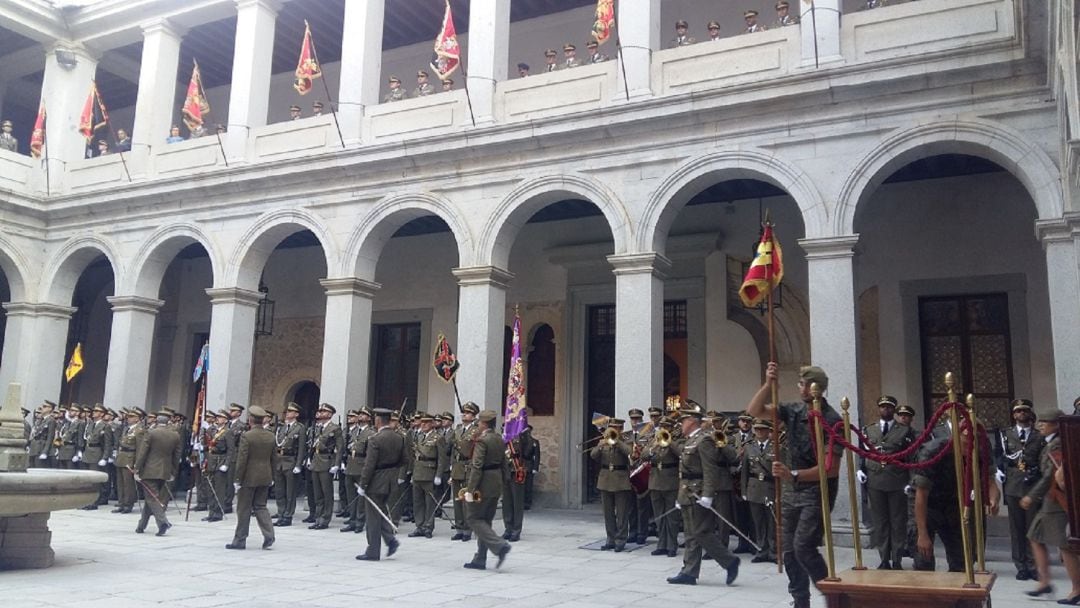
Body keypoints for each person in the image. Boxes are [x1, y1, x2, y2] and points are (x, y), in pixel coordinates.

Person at [745, 363, 842, 608]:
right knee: (788, 550)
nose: (800, 387)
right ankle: (800, 600)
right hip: (791, 492)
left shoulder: (832, 420)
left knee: (804, 547)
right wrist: (768, 384)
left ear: (814, 387)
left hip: (815, 492)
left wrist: (793, 474)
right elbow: (755, 410)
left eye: (803, 383)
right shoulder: (794, 410)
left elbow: (830, 469)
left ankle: (833, 597)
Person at [666, 407, 741, 586]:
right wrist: (680, 496)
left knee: (700, 532)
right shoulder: (691, 440)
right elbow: (683, 472)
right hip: (687, 493)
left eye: (683, 421)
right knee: (691, 534)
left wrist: (708, 495)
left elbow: (710, 470)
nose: (681, 425)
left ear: (692, 421)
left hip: (698, 494)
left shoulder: (705, 440)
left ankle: (729, 561)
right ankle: (689, 572)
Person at [858, 395, 916, 570]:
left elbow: (911, 457)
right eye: (883, 407)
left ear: (894, 410)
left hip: (897, 480)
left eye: (889, 407)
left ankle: (897, 558)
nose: (886, 410)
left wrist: (910, 480)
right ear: (879, 409)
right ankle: (884, 557)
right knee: (880, 521)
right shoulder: (869, 430)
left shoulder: (904, 431)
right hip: (875, 480)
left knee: (898, 521)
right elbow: (862, 451)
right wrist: (860, 469)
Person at [998, 398, 1043, 580]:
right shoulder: (1006, 434)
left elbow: (1042, 459)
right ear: (1013, 414)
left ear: (1030, 413)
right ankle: (1020, 565)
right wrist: (999, 472)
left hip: (1032, 485)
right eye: (1018, 411)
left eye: (1024, 411)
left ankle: (1033, 565)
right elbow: (999, 455)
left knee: (1033, 527)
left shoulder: (1039, 436)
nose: (1021, 414)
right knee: (1016, 528)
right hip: (1013, 484)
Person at [462, 409, 512, 570]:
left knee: (473, 518)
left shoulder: (483, 441)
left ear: (483, 424)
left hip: (483, 483)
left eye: (479, 423)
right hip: (496, 482)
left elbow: (477, 466)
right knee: (486, 521)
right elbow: (505, 463)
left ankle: (499, 545)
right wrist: (504, 482)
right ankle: (480, 558)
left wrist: (470, 489)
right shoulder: (498, 438)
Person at [1021, 417, 1064, 598]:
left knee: (1067, 546)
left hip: (1056, 499)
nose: (1040, 425)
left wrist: (1032, 495)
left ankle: (1074, 588)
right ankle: (1044, 581)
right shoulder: (1047, 442)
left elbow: (1049, 476)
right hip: (1049, 498)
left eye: (1045, 422)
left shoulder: (1057, 444)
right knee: (1035, 536)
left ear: (1055, 424)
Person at [226, 405, 278, 550]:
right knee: (261, 507)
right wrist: (272, 475)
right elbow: (274, 458)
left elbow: (242, 460)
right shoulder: (271, 436)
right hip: (265, 475)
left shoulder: (247, 436)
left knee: (244, 509)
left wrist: (237, 479)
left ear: (250, 419)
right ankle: (269, 535)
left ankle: (240, 540)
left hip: (248, 477)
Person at [355, 408, 403, 561]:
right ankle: (391, 540)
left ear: (377, 421)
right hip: (391, 479)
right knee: (380, 512)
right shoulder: (399, 437)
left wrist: (363, 484)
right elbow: (405, 459)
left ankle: (373, 551)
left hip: (376, 481)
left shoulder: (375, 439)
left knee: (373, 518)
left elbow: (369, 465)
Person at [133, 411, 181, 536]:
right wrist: (173, 471)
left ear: (156, 421)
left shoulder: (151, 433)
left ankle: (163, 522)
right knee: (152, 498)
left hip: (150, 470)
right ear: (167, 422)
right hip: (165, 470)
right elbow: (176, 456)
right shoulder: (175, 435)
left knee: (152, 498)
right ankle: (141, 525)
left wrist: (137, 468)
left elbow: (143, 452)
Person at [590, 417, 634, 551]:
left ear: (621, 429)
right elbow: (593, 455)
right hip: (605, 479)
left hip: (621, 479)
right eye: (612, 427)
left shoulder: (627, 440)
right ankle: (610, 538)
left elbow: (630, 453)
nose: (614, 430)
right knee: (608, 512)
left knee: (621, 513)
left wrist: (617, 441)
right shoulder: (604, 441)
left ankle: (621, 540)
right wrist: (600, 445)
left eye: (617, 428)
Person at [644, 415, 681, 557]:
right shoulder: (655, 440)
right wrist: (653, 447)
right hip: (655, 481)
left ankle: (672, 545)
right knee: (659, 516)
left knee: (672, 517)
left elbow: (681, 454)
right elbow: (644, 455)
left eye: (667, 427)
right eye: (663, 427)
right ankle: (662, 544)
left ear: (672, 428)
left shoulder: (677, 441)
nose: (664, 429)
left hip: (671, 482)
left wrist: (670, 442)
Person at [742, 418, 777, 563]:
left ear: (769, 431)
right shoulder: (749, 447)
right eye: (757, 429)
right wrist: (744, 490)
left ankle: (773, 551)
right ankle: (762, 550)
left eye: (762, 429)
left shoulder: (776, 447)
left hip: (770, 487)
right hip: (754, 487)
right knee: (758, 522)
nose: (759, 432)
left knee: (771, 521)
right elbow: (745, 471)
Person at [409, 413, 446, 538]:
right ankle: (419, 525)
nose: (423, 425)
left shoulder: (438, 438)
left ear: (432, 424)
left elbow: (442, 458)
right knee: (417, 501)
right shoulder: (419, 436)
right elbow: (414, 456)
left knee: (429, 502)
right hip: (418, 472)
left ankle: (428, 526)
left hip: (430, 472)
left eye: (426, 422)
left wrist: (439, 475)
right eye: (422, 422)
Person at [308, 403, 343, 530]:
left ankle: (325, 519)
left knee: (326, 492)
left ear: (329, 414)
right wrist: (309, 458)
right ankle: (318, 517)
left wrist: (337, 464)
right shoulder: (318, 428)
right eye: (320, 411)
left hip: (326, 461)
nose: (321, 413)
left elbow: (339, 448)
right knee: (317, 493)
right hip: (316, 461)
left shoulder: (335, 428)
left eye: (324, 411)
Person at [272, 402, 305, 527]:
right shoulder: (281, 427)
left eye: (291, 412)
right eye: (287, 411)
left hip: (290, 461)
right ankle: (281, 513)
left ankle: (288, 515)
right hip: (279, 461)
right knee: (279, 490)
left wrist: (298, 464)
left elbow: (301, 448)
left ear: (296, 414)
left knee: (290, 491)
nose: (287, 413)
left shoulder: (299, 428)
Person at [450, 402, 480, 541]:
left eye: (467, 413)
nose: (464, 415)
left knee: (467, 499)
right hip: (457, 466)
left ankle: (468, 529)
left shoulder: (476, 430)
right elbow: (453, 450)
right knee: (457, 499)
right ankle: (459, 527)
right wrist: (451, 466)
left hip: (468, 466)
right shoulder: (458, 429)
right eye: (463, 413)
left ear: (473, 416)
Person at [502, 423, 533, 542]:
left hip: (517, 471)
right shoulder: (505, 435)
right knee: (506, 502)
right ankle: (508, 528)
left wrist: (525, 434)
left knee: (517, 502)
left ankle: (516, 530)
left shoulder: (522, 434)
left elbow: (528, 451)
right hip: (506, 471)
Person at [81, 404, 114, 509]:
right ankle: (86, 500)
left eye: (96, 411)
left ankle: (93, 502)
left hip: (97, 453)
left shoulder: (105, 426)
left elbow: (107, 443)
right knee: (87, 479)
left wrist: (105, 457)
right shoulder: (91, 424)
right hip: (88, 452)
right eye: (94, 410)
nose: (94, 412)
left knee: (94, 480)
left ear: (102, 414)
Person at [113, 408, 144, 514]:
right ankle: (121, 503)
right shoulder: (127, 429)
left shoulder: (139, 430)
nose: (128, 419)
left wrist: (137, 464)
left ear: (137, 419)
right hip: (121, 457)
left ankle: (128, 504)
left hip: (130, 458)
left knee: (128, 484)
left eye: (131, 417)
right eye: (128, 417)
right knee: (120, 483)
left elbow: (140, 448)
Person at [205, 410, 232, 522]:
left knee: (219, 489)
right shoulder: (213, 430)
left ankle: (218, 513)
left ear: (226, 420)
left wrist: (226, 464)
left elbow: (231, 450)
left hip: (221, 461)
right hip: (211, 461)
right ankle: (211, 511)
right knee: (210, 488)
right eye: (217, 417)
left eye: (221, 417)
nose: (218, 419)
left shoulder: (227, 432)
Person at [524, 424, 540, 509]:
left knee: (528, 486)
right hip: (520, 466)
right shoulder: (521, 441)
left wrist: (535, 467)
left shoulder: (534, 442)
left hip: (529, 466)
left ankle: (527, 503)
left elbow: (537, 455)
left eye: (528, 431)